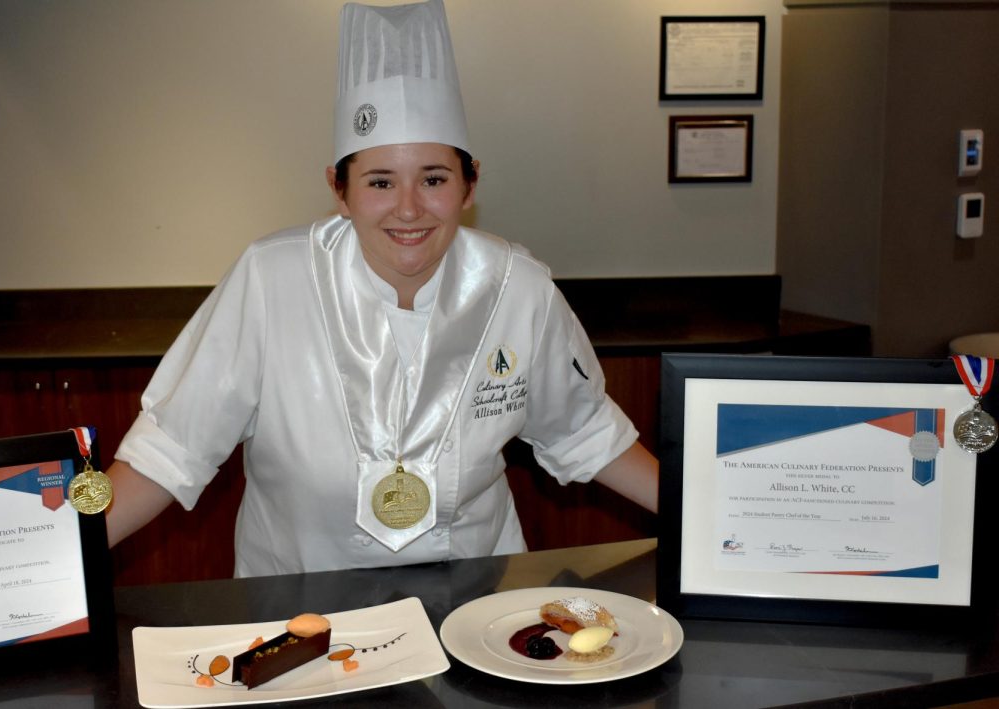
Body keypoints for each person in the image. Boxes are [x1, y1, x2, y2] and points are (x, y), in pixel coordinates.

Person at [104, 0, 657, 577]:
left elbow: (586, 431)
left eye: (435, 179)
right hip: (302, 609)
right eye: (380, 181)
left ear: (470, 185)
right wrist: (59, 571)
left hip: (472, 607)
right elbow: (172, 451)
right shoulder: (272, 278)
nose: (409, 208)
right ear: (338, 191)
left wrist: (711, 523)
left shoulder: (520, 288)